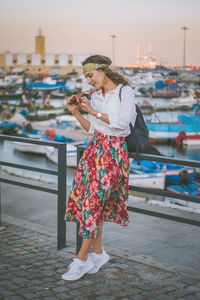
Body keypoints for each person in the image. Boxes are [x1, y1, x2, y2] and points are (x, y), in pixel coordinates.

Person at [62, 55, 136, 281]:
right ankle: (99, 253)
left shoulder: (125, 92)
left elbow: (123, 125)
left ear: (103, 71)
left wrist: (93, 112)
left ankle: (81, 260)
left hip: (113, 152)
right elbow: (93, 129)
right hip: (95, 149)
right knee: (90, 201)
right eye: (86, 77)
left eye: (90, 75)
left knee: (93, 203)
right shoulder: (95, 96)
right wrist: (77, 113)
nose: (89, 81)